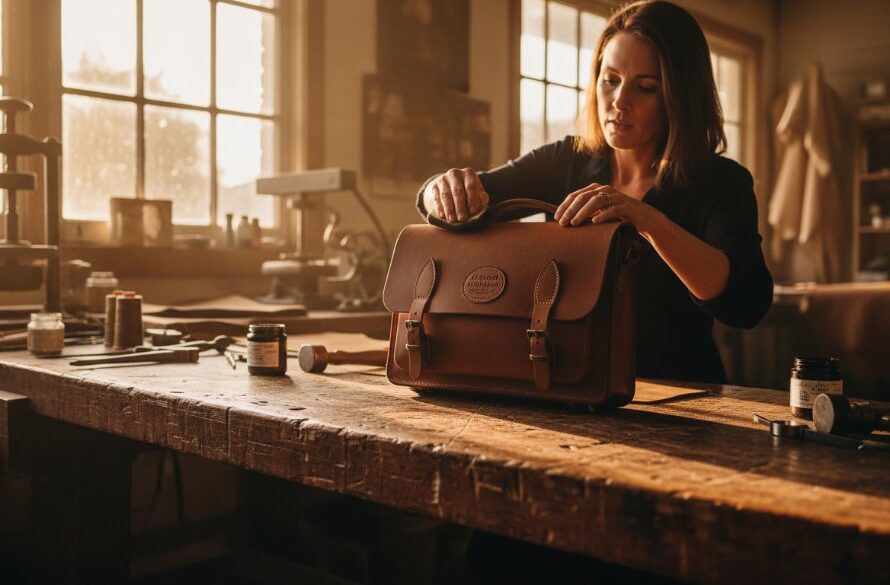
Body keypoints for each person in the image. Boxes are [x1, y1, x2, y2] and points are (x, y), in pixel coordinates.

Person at [416, 0, 772, 386]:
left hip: (681, 398)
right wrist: (439, 191)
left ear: (680, 96)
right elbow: (469, 198)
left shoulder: (720, 181)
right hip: (567, 385)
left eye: (646, 87)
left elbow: (745, 304)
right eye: (610, 79)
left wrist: (647, 220)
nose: (620, 102)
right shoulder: (565, 160)